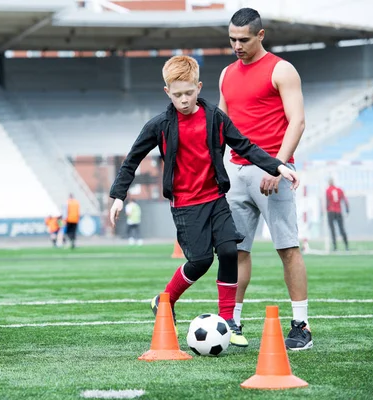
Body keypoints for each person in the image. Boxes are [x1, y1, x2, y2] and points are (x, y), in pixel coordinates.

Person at [109, 55, 299, 344]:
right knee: (199, 261)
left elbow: (244, 146)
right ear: (167, 92)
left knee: (228, 252)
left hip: (216, 199)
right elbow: (132, 160)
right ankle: (164, 300)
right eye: (176, 95)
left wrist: (277, 166)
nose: (183, 100)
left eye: (188, 93)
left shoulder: (216, 118)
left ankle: (228, 322)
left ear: (198, 87)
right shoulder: (159, 125)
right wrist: (118, 196)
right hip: (186, 205)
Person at [219, 8, 311, 350]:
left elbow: (297, 121)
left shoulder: (282, 69)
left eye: (243, 39)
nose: (237, 45)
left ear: (261, 35)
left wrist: (277, 166)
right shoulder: (227, 74)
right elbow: (222, 129)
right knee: (235, 250)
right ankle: (232, 320)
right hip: (236, 172)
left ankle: (301, 325)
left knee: (287, 247)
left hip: (274, 170)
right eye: (231, 39)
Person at [326, 178, 349, 251]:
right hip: (338, 211)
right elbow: (345, 200)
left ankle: (335, 247)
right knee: (341, 229)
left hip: (331, 211)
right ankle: (346, 246)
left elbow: (327, 201)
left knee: (332, 230)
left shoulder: (328, 190)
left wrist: (326, 209)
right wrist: (347, 209)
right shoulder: (339, 189)